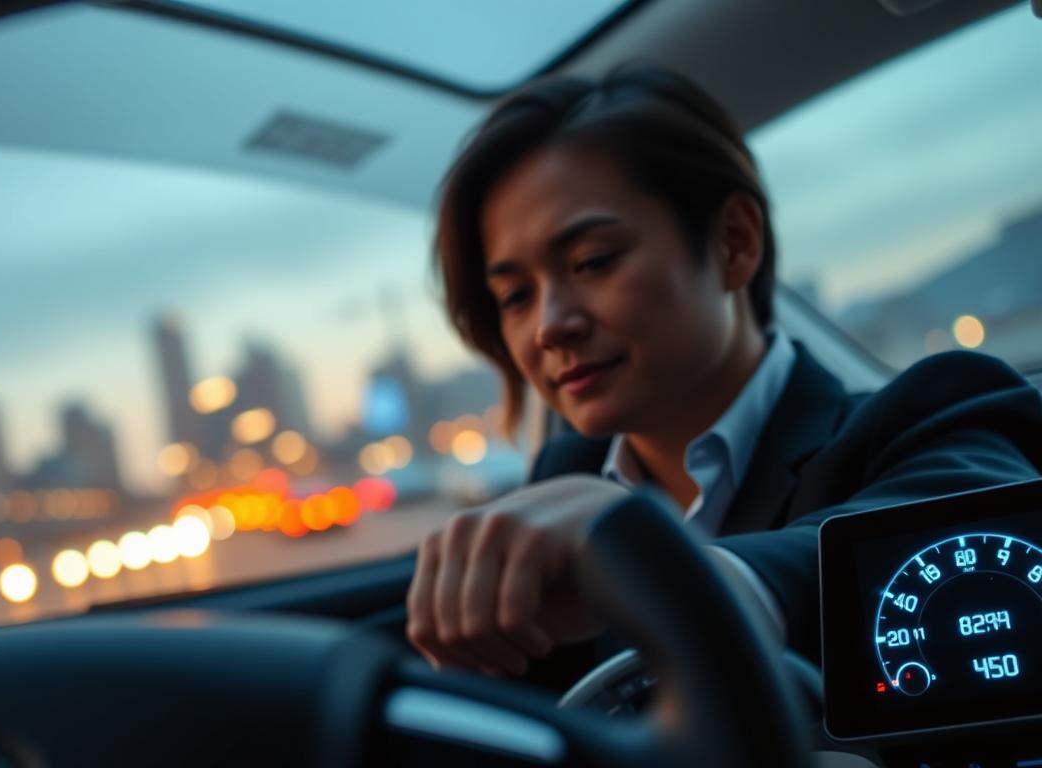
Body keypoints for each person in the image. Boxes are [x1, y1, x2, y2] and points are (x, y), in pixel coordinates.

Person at [405, 66, 1042, 679]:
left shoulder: (924, 419)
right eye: (515, 297)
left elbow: (988, 539)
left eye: (594, 261)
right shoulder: (561, 480)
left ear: (734, 242)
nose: (548, 325)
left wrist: (661, 568)